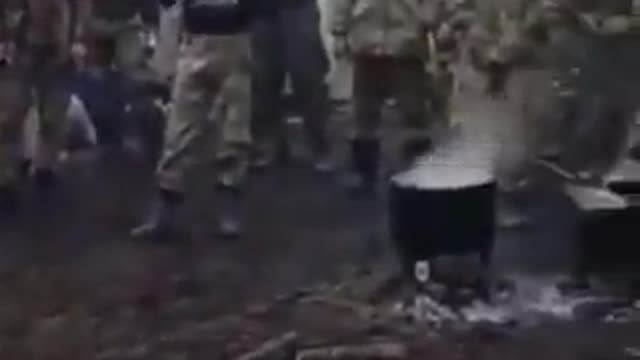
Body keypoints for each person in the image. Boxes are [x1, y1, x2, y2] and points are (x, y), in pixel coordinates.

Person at [131, 0, 253, 240]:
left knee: (233, 133)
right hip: (195, 40)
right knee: (179, 131)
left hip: (234, 41)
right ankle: (165, 213)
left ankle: (227, 211)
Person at [332, 0, 439, 194]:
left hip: (406, 45)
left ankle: (417, 173)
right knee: (364, 112)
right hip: (367, 44)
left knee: (413, 111)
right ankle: (365, 174)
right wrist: (339, 32)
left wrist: (431, 24)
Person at [0, 0, 79, 217]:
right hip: (20, 49)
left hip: (53, 49)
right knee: (9, 118)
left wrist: (74, 40)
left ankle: (45, 168)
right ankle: (6, 180)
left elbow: (77, 7)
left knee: (52, 118)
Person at [249, 0, 332, 172]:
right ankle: (269, 142)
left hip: (298, 6)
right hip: (259, 9)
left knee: (307, 75)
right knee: (263, 77)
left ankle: (319, 144)